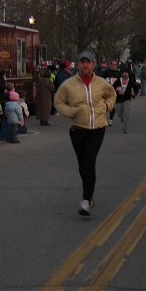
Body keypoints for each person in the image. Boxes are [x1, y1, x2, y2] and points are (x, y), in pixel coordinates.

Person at [53, 49, 116, 217]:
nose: (85, 65)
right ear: (78, 64)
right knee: (82, 165)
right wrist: (72, 112)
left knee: (89, 162)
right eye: (82, 61)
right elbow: (58, 102)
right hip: (78, 129)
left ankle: (86, 200)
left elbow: (112, 94)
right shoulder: (68, 84)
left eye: (88, 62)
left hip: (97, 128)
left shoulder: (101, 83)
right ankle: (90, 192)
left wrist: (107, 107)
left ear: (93, 64)